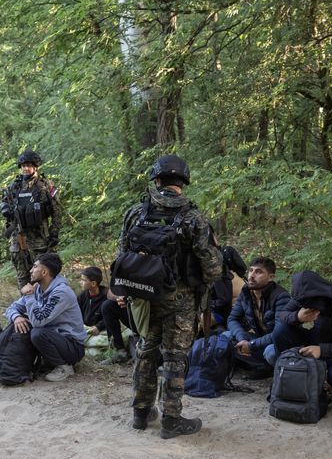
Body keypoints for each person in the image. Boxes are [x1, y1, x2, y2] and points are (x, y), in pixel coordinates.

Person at [118, 155, 222, 438]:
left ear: (157, 180)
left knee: (145, 352)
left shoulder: (135, 213)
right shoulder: (193, 217)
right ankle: (171, 420)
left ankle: (140, 413)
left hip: (144, 296)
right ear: (183, 182)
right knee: (175, 358)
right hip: (181, 299)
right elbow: (212, 267)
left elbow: (122, 254)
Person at [275, 270, 332, 404]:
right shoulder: (303, 295)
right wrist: (297, 317)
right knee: (281, 331)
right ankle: (292, 369)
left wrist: (321, 350)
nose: (308, 307)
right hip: (318, 339)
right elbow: (283, 314)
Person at [4, 253, 87, 382]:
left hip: (72, 346)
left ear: (44, 272)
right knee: (21, 324)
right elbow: (11, 309)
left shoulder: (61, 292)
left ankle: (64, 367)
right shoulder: (38, 289)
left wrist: (29, 296)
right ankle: (47, 362)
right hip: (55, 338)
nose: (31, 270)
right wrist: (16, 317)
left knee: (37, 333)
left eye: (35, 267)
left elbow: (38, 321)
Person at [0, 149, 62, 288]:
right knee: (22, 276)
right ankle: (26, 300)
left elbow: (56, 210)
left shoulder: (45, 185)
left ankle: (47, 299)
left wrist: (54, 232)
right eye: (23, 166)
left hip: (39, 239)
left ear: (35, 166)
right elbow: (2, 202)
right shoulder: (14, 186)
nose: (25, 168)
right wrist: (4, 208)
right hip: (18, 238)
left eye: (28, 165)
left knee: (44, 276)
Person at [228, 256, 290, 375]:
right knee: (226, 336)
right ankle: (261, 366)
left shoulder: (281, 297)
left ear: (271, 277)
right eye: (251, 270)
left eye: (258, 272)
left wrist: (251, 345)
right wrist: (242, 339)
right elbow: (232, 319)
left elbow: (279, 333)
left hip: (278, 343)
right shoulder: (246, 292)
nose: (251, 275)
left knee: (270, 352)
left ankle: (271, 368)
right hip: (259, 339)